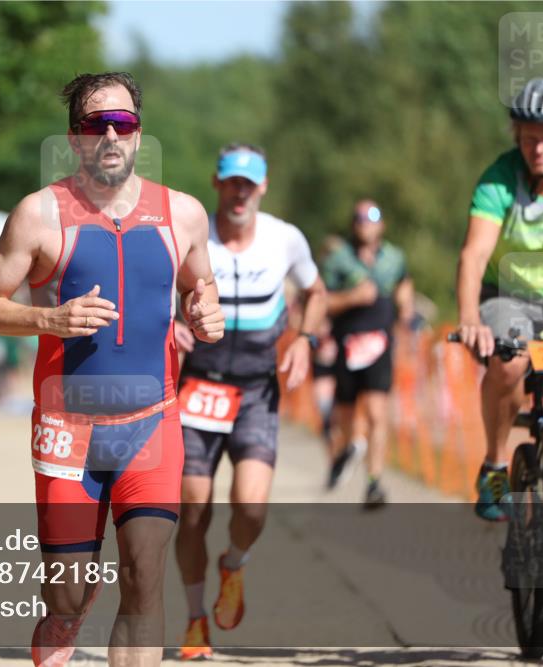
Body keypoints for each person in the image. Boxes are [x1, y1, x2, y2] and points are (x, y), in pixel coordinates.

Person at [0, 71, 224, 667]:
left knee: (143, 576)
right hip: (68, 430)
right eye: (95, 124)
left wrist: (207, 312)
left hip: (152, 423)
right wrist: (51, 320)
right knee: (66, 591)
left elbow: (201, 286)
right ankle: (66, 616)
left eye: (123, 123)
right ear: (74, 137)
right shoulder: (38, 216)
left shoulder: (183, 214)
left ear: (138, 133)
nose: (110, 135)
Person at [171, 143, 327, 660]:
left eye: (249, 183)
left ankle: (233, 564)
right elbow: (154, 291)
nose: (239, 192)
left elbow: (316, 291)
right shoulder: (192, 232)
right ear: (217, 183)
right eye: (231, 181)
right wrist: (171, 323)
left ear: (262, 187)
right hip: (197, 387)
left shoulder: (285, 238)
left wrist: (304, 339)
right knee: (193, 510)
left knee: (252, 506)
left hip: (257, 387)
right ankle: (196, 620)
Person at [455, 76, 543, 521]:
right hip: (508, 296)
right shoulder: (500, 179)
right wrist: (468, 318)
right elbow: (474, 253)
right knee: (510, 357)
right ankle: (495, 465)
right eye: (527, 139)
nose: (536, 150)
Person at [322, 200, 414, 508]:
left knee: (377, 412)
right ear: (353, 224)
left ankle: (374, 482)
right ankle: (347, 451)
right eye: (360, 219)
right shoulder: (339, 259)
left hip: (380, 343)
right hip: (347, 343)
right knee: (345, 415)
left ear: (382, 225)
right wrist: (352, 297)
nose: (366, 225)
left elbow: (404, 287)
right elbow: (322, 301)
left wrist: (406, 313)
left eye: (372, 220)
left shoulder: (394, 258)